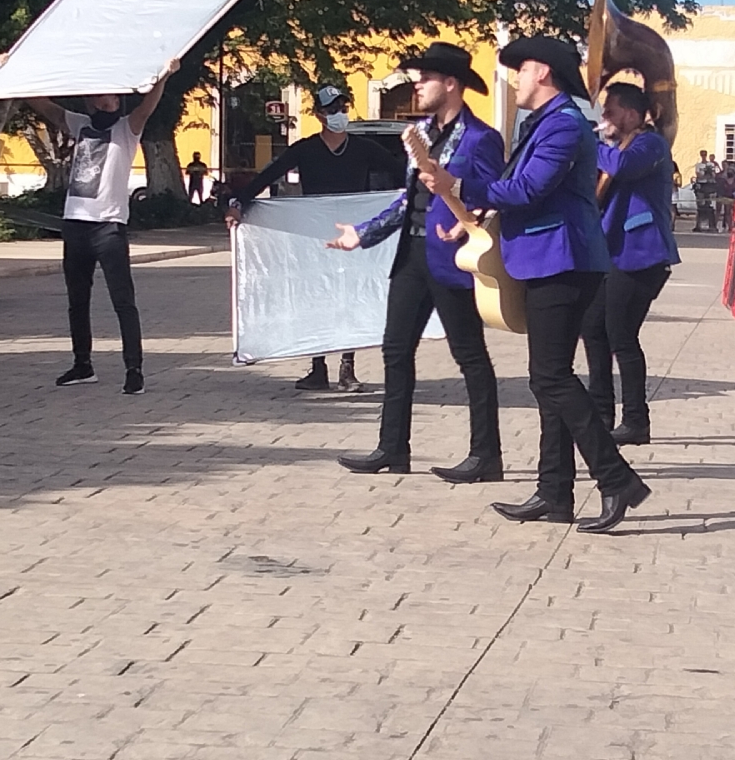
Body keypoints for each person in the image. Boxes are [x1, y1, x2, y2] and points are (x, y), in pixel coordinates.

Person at [417, 36, 650, 534]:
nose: (515, 80)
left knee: (550, 378)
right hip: (547, 260)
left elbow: (528, 189)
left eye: (520, 71)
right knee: (551, 378)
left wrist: (457, 186)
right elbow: (512, 190)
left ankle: (616, 479)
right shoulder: (543, 124)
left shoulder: (564, 125)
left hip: (563, 261)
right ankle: (554, 492)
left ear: (542, 72)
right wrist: (473, 214)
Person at [327, 43, 505, 482]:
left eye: (425, 78)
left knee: (469, 355)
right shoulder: (420, 134)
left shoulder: (482, 138)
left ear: (451, 84)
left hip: (453, 258)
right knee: (395, 350)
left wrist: (469, 213)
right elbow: (410, 199)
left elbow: (495, 196)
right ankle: (392, 447)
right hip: (412, 254)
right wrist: (363, 234)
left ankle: (487, 454)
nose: (417, 84)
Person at [225, 84, 404, 391]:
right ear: (320, 115)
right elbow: (268, 175)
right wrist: (238, 203)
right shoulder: (306, 149)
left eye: (342, 108)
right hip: (314, 239)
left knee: (350, 298)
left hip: (351, 236)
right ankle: (317, 367)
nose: (339, 115)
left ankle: (347, 369)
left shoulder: (363, 149)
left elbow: (401, 171)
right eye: (332, 109)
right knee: (318, 298)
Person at [25, 59, 179, 396]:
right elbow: (44, 107)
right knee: (77, 300)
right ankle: (83, 365)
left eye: (106, 96)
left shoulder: (127, 128)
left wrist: (164, 75)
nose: (100, 101)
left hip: (108, 227)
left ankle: (133, 369)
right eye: (95, 96)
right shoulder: (79, 124)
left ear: (116, 100)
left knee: (123, 300)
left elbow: (148, 105)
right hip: (76, 224)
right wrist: (18, 72)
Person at [580, 82, 681, 444]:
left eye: (610, 110)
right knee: (593, 328)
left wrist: (589, 141)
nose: (603, 116)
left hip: (641, 252)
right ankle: (601, 409)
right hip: (609, 251)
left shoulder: (650, 144)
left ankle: (636, 420)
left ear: (633, 114)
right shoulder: (613, 146)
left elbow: (622, 166)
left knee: (622, 334)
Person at [692, 150, 718, 232]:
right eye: (702, 155)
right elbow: (699, 176)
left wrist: (709, 172)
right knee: (700, 206)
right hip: (701, 186)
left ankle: (711, 225)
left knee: (710, 207)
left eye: (705, 154)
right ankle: (698, 225)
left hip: (709, 186)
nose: (703, 156)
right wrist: (705, 174)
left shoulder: (711, 164)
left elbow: (714, 175)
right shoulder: (698, 165)